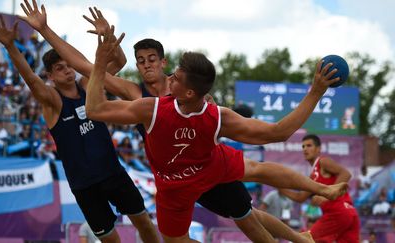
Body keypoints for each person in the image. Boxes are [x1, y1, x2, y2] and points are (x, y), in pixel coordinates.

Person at [16, 3, 323, 243]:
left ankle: (300, 237)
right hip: (175, 179)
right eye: (141, 61)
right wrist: (45, 30)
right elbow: (84, 64)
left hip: (206, 167)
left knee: (245, 213)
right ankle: (301, 237)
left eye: (152, 59)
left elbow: (218, 115)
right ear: (137, 65)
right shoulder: (136, 94)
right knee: (224, 220)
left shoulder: (186, 87)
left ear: (164, 63)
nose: (147, 64)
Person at [86, 31, 348, 242]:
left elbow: (95, 109)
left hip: (189, 176)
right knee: (257, 173)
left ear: (188, 93)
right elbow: (278, 132)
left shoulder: (166, 110)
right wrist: (315, 92)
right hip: (186, 180)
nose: (170, 81)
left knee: (252, 192)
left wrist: (316, 91)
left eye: (175, 78)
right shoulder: (208, 114)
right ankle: (320, 194)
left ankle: (322, 192)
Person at [0, 14, 160, 243]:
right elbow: (30, 78)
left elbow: (119, 62)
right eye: (60, 68)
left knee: (145, 225)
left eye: (69, 66)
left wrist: (107, 36)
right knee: (111, 241)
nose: (68, 70)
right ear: (50, 76)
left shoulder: (90, 85)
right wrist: (10, 45)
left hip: (113, 174)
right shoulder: (52, 100)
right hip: (84, 186)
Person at [280, 134, 360, 243]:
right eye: (303, 146)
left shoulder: (323, 161)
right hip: (350, 213)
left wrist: (326, 195)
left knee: (305, 240)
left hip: (338, 212)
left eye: (309, 145)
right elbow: (300, 197)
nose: (305, 149)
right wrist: (280, 188)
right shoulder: (313, 176)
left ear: (318, 149)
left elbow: (346, 174)